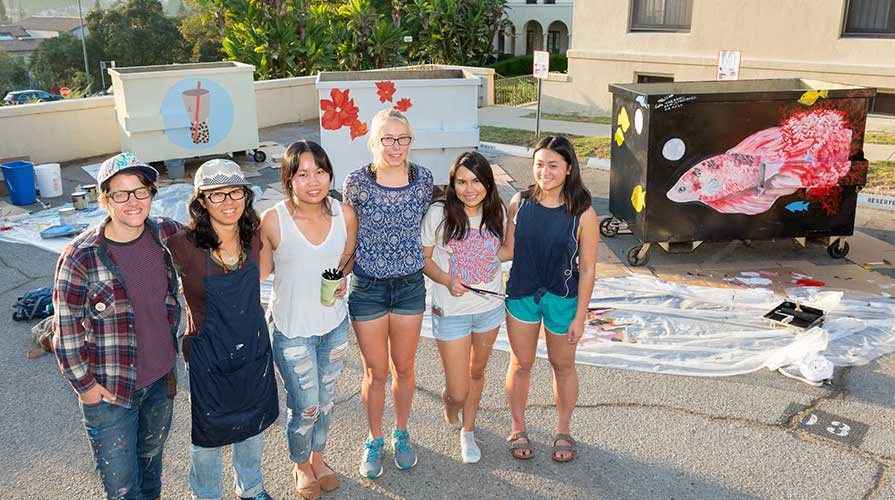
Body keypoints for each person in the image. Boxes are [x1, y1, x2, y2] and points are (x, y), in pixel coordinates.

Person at [53, 151, 184, 500]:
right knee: (124, 489)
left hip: (161, 381)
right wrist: (86, 387)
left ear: (152, 195)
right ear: (104, 200)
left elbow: (214, 237)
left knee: (151, 471)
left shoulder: (165, 235)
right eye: (120, 194)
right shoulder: (81, 256)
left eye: (141, 191)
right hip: (111, 392)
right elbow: (65, 331)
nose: (133, 202)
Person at [167, 159, 278, 500]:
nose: (228, 202)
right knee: (207, 436)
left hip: (252, 349)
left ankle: (252, 488)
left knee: (252, 426)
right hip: (208, 357)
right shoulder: (181, 246)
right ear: (201, 201)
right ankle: (207, 495)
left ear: (246, 195)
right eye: (216, 195)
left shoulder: (255, 236)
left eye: (235, 193)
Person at [259, 140, 357, 500]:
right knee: (306, 405)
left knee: (327, 401)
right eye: (302, 174)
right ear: (288, 179)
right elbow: (261, 271)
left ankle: (319, 458)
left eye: (319, 172)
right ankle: (300, 464)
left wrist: (344, 275)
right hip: (291, 330)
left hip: (334, 326)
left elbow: (348, 253)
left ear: (330, 174)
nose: (313, 181)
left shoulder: (344, 215)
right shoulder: (273, 220)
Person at [342, 108, 433, 478]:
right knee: (376, 371)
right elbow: (348, 236)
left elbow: (433, 228)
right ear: (374, 141)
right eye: (388, 139)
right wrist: (339, 277)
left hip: (410, 286)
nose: (396, 146)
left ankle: (402, 433)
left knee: (405, 369)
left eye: (403, 138)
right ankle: (374, 438)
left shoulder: (424, 179)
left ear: (411, 140)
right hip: (368, 288)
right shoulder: (356, 182)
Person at [502, 135, 599, 463]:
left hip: (562, 298)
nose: (545, 171)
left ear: (569, 168)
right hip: (522, 295)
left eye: (553, 165)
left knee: (563, 365)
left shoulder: (583, 213)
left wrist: (580, 314)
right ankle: (518, 426)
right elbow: (507, 250)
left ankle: (563, 429)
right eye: (539, 164)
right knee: (521, 364)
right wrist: (461, 258)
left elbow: (587, 269)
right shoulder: (520, 202)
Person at [421, 151, 507, 464]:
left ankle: (468, 431)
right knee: (457, 390)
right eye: (461, 182)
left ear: (487, 182)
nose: (469, 189)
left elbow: (505, 248)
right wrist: (446, 279)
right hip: (451, 311)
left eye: (476, 181)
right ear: (452, 183)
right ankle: (451, 402)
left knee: (477, 371)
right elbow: (425, 259)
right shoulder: (438, 213)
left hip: (490, 308)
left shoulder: (496, 209)